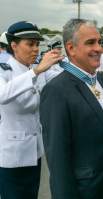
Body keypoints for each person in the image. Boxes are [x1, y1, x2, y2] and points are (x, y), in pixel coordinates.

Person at [40, 18, 103, 199]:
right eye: (90, 43)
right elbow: (57, 156)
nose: (98, 48)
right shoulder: (56, 90)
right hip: (82, 190)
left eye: (99, 42)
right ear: (70, 48)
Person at [0, 21, 63, 199]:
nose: (36, 49)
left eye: (37, 44)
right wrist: (36, 71)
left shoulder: (37, 71)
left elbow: (63, 78)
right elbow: (2, 95)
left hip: (34, 151)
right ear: (14, 46)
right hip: (12, 154)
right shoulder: (4, 71)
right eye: (30, 44)